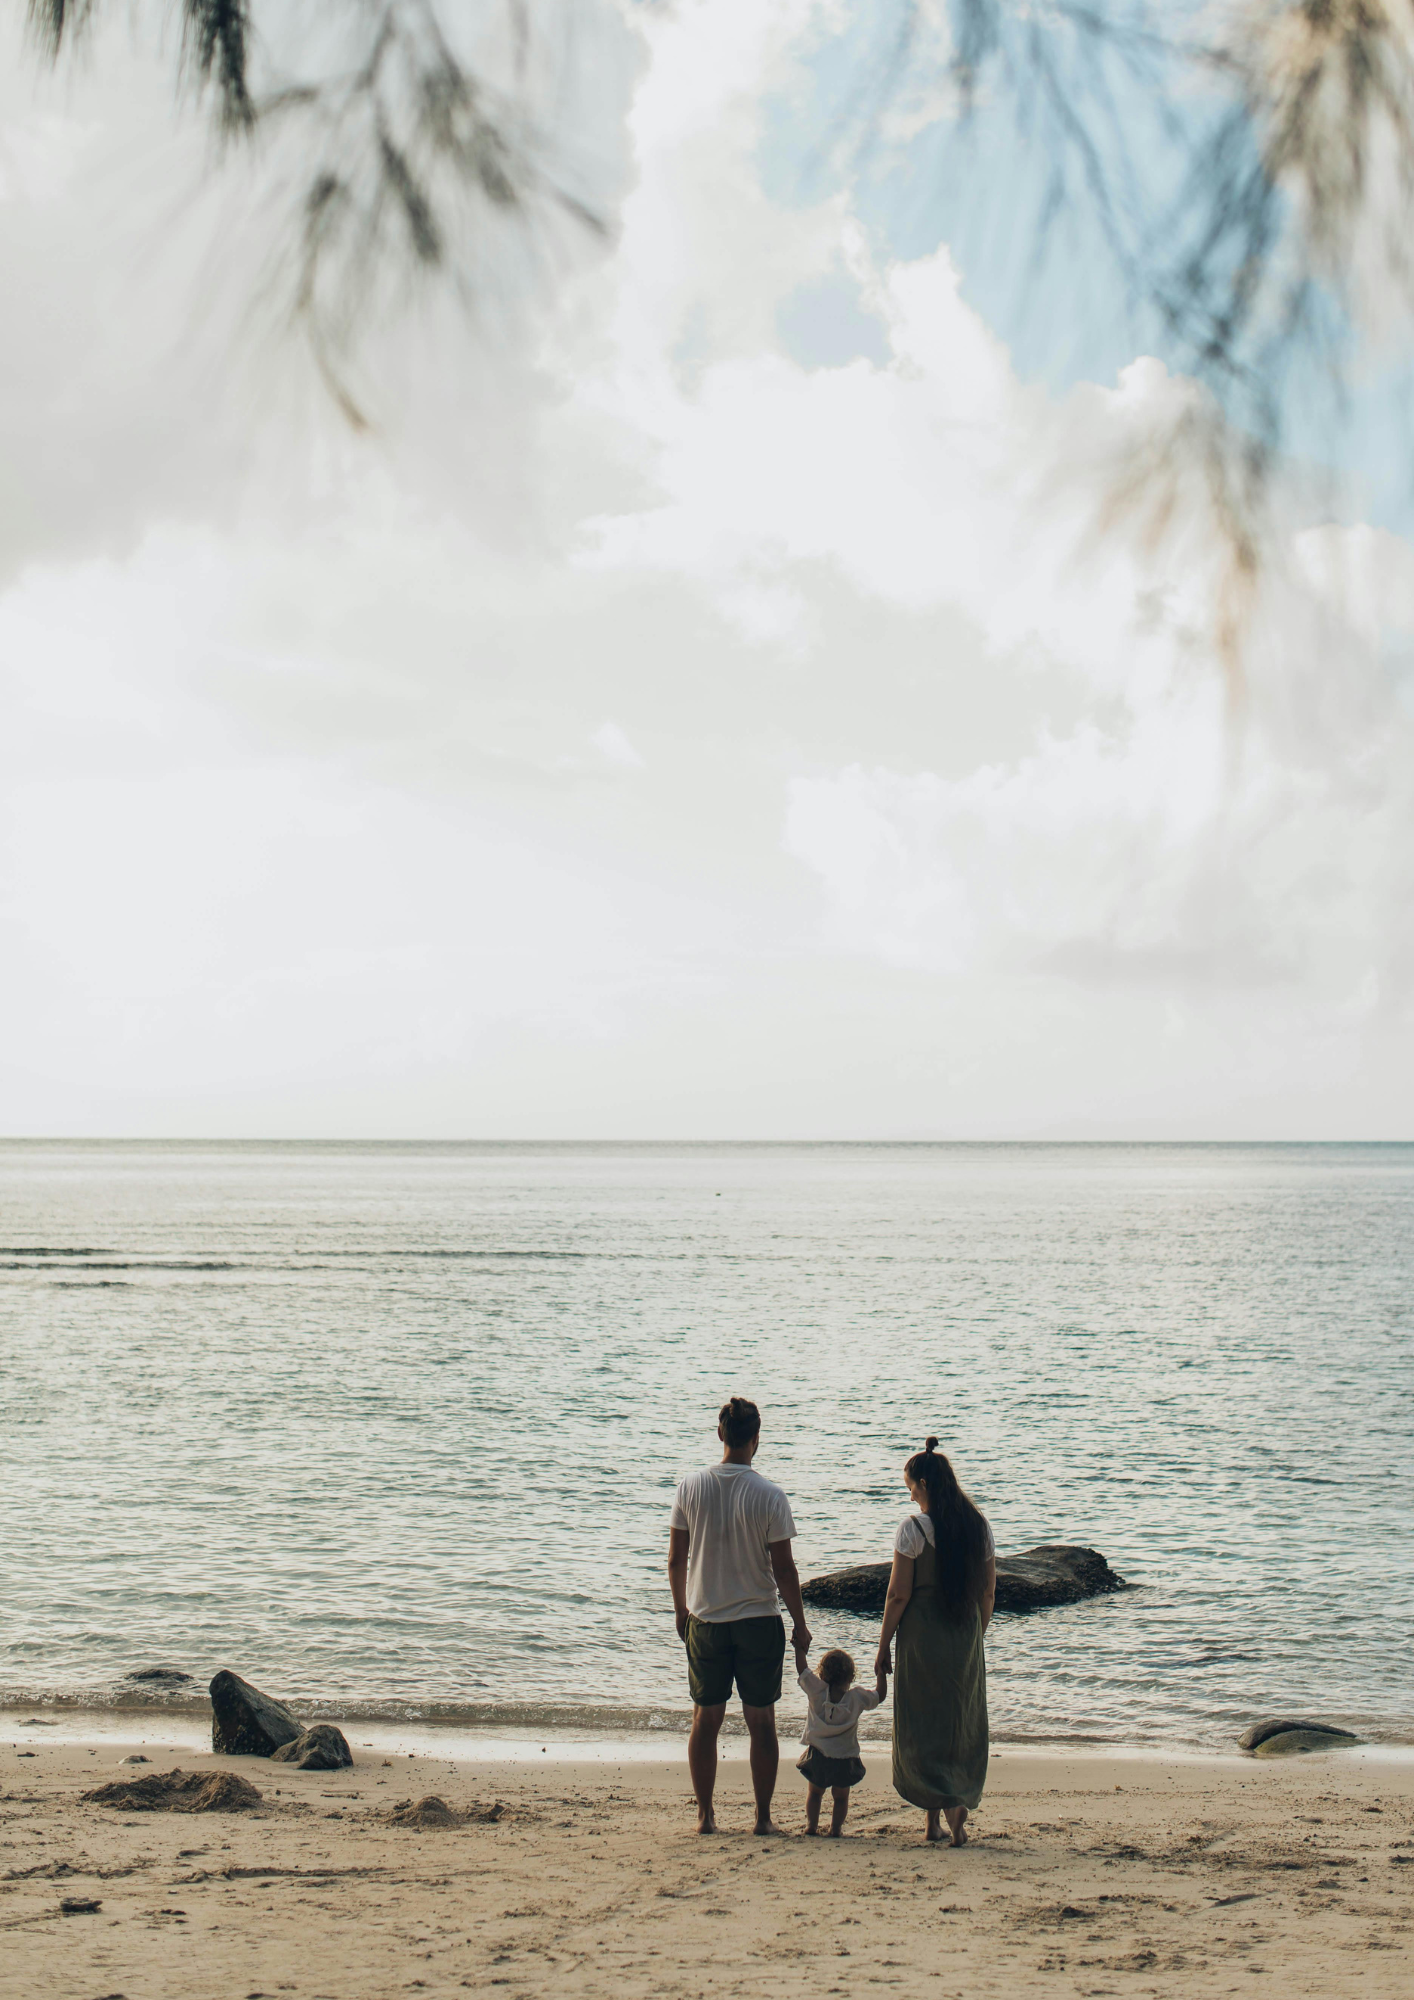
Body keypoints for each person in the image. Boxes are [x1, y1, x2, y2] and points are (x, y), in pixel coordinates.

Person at [667, 1396, 811, 1836]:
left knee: (705, 1719)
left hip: (706, 1618)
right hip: (757, 1620)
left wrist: (680, 1609)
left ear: (720, 1435)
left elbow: (676, 1558)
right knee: (761, 1721)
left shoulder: (690, 1486)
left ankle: (705, 1815)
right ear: (755, 1439)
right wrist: (801, 1624)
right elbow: (784, 1569)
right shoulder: (769, 1494)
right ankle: (763, 1818)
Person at [873, 1436, 996, 1846]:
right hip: (964, 1633)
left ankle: (931, 1823)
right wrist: (977, 1633)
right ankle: (957, 1811)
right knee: (960, 1721)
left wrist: (883, 1644)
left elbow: (898, 1594)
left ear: (923, 1482)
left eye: (910, 1486)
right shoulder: (979, 1526)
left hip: (921, 1638)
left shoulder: (913, 1530)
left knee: (924, 1723)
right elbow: (988, 1594)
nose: (909, 1495)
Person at [792, 1644, 885, 1836]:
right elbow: (879, 1696)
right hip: (845, 1757)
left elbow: (802, 1669)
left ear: (822, 1674)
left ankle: (811, 1826)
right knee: (841, 1797)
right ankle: (835, 1828)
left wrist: (799, 1647)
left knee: (815, 1793)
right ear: (851, 1677)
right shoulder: (857, 1697)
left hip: (818, 1754)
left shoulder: (817, 1691)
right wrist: (881, 1671)